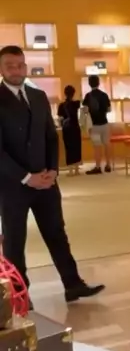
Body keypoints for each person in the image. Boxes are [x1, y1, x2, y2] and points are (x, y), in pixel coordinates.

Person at [0, 46, 105, 304]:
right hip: (13, 185)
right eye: (10, 65)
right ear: (1, 69)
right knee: (14, 241)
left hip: (46, 181)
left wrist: (53, 170)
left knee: (56, 233)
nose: (16, 70)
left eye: (20, 65)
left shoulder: (38, 96)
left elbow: (50, 136)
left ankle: (73, 284)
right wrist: (26, 177)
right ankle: (20, 295)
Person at [82, 75, 112, 174]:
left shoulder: (88, 96)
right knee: (107, 144)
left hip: (94, 125)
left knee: (97, 146)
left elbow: (85, 111)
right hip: (104, 124)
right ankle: (108, 165)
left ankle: (98, 167)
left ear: (89, 84)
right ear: (99, 83)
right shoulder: (104, 95)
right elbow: (109, 109)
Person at [58, 84, 82, 173]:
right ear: (73, 93)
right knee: (77, 147)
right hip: (75, 127)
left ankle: (70, 170)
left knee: (68, 148)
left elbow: (60, 118)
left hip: (67, 129)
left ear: (65, 93)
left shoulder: (61, 105)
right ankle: (76, 169)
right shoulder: (76, 103)